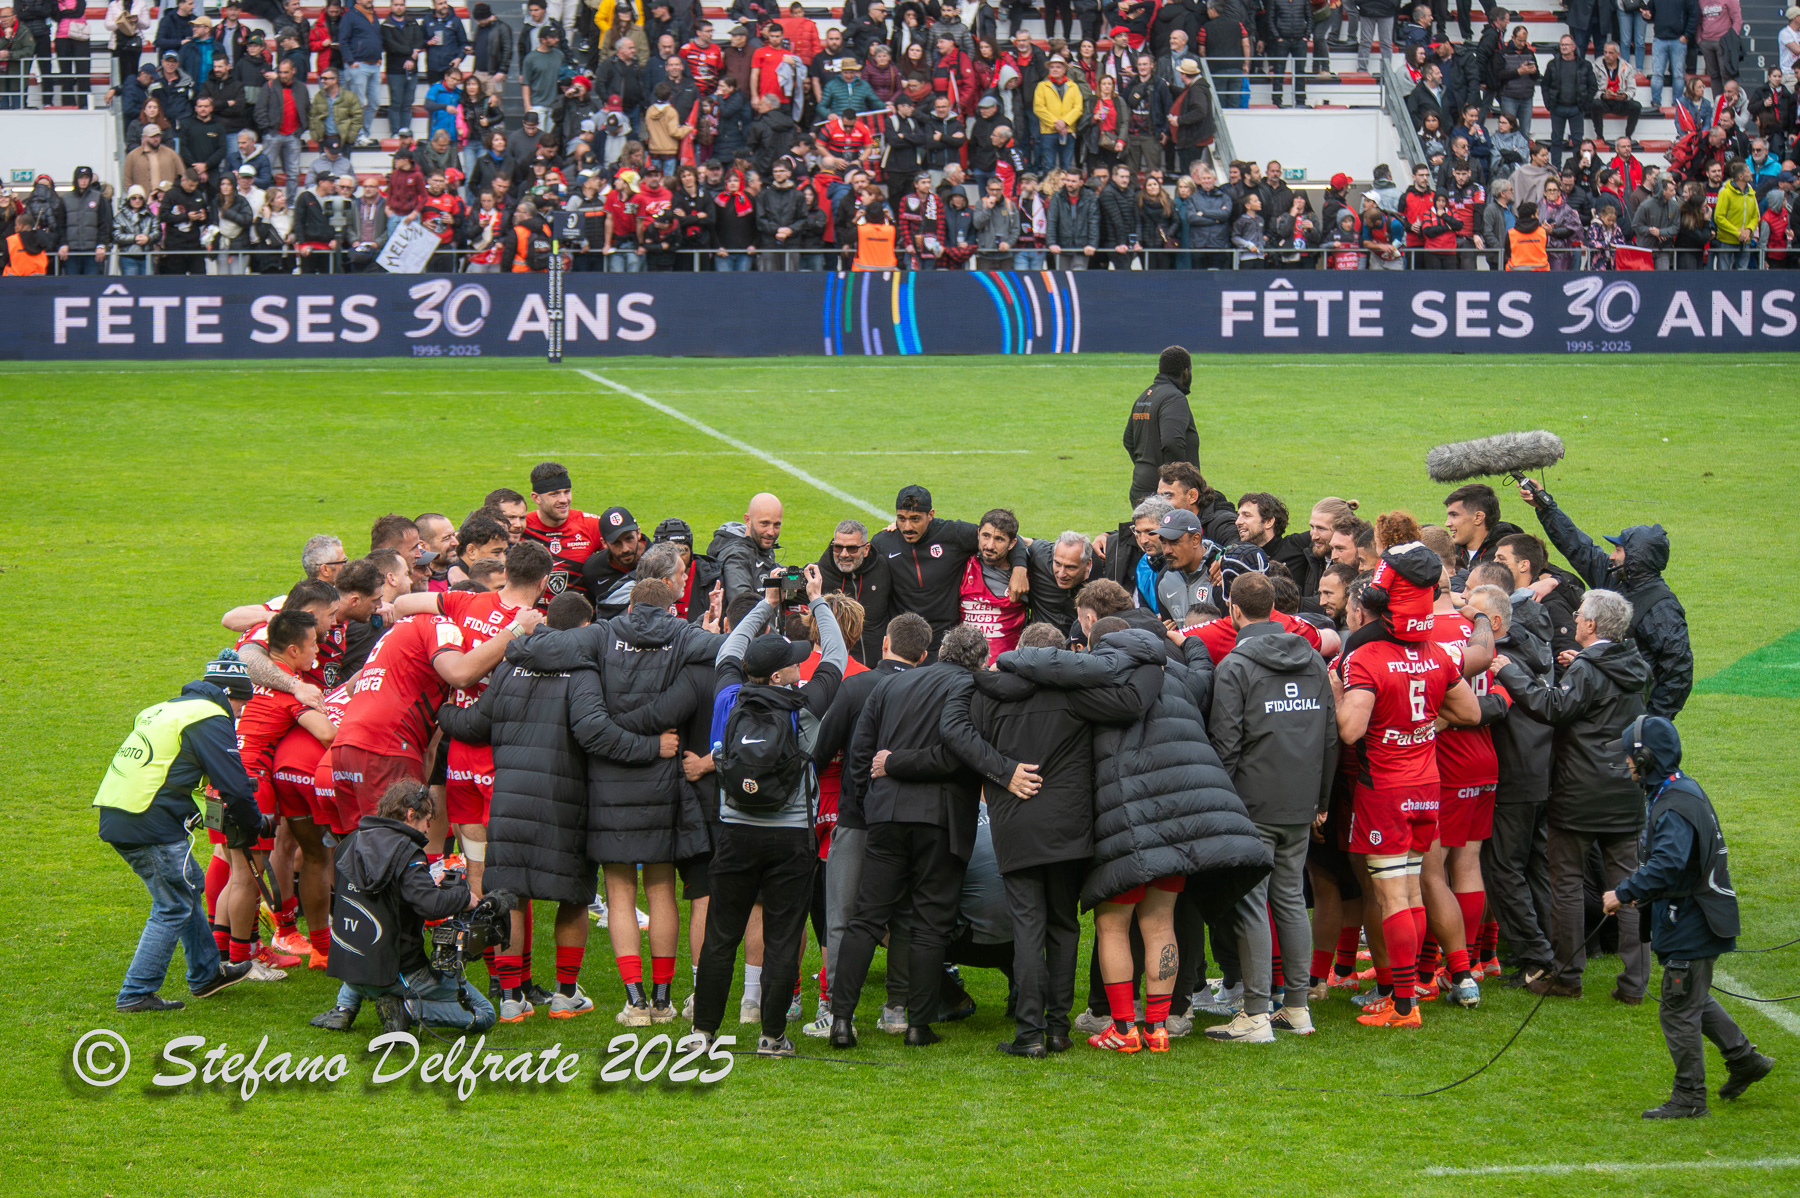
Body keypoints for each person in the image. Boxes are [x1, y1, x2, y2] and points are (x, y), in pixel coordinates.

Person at [944, 621, 1160, 1055]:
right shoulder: (1075, 694)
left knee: (1029, 926)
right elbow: (1132, 704)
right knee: (1063, 926)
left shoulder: (984, 690)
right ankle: (1057, 1030)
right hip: (1069, 824)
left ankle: (1030, 1034)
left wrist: (1001, 771)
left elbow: (953, 732)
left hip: (1017, 824)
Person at [828, 623, 1018, 1047]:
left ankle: (842, 1019)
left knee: (867, 918)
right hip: (944, 817)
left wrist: (866, 806)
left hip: (887, 814)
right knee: (929, 923)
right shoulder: (976, 691)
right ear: (981, 661)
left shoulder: (891, 685)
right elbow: (964, 757)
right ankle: (917, 1024)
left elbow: (861, 754)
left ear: (940, 651)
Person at [692, 566, 845, 1058]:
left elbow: (730, 649)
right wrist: (816, 601)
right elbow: (837, 656)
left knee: (721, 934)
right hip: (789, 839)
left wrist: (767, 602)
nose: (803, 665)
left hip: (735, 832)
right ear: (780, 675)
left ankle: (704, 1032)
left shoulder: (731, 697)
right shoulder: (804, 707)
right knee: (783, 936)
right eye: (794, 663)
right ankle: (772, 1036)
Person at [1333, 559, 1483, 1030]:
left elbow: (1350, 730)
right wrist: (1422, 724)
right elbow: (1472, 712)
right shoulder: (1436, 654)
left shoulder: (1366, 659)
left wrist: (1337, 688)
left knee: (1392, 895)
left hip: (1385, 790)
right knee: (1414, 892)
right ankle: (1415, 987)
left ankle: (1401, 1006)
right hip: (1428, 785)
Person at [1605, 716, 1775, 1118]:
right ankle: (1744, 1059)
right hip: (1694, 915)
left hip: (1692, 920)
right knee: (1691, 997)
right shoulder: (1678, 790)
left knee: (1678, 1008)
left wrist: (1624, 892)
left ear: (1646, 758)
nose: (1627, 762)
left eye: (1631, 755)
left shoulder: (1675, 804)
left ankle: (1689, 1099)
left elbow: (1667, 864)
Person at [1492, 589, 1650, 1001]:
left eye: (1580, 615)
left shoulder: (1587, 669)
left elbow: (1552, 707)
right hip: (1626, 790)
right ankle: (1635, 983)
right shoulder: (1632, 664)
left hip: (1579, 792)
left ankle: (1566, 977)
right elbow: (1598, 695)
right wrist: (1577, 665)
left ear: (1592, 625)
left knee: (1565, 885)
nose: (1575, 619)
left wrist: (1509, 672)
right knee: (1630, 887)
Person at [93, 650, 263, 1012]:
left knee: (186, 888)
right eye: (241, 703)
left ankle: (206, 974)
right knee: (173, 905)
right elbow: (232, 783)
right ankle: (136, 993)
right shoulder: (211, 716)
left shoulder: (166, 707)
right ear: (229, 696)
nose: (240, 712)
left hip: (119, 810)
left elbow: (169, 767)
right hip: (148, 820)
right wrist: (255, 822)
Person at [1207, 573, 1336, 1041]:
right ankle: (1297, 1008)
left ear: (1234, 611)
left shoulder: (1235, 666)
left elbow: (1226, 744)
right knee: (1290, 901)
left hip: (1251, 804)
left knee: (1250, 904)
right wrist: (1321, 801)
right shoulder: (1314, 662)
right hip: (1300, 803)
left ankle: (1257, 1013)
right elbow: (1329, 737)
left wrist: (1221, 806)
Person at [323, 781, 495, 1033]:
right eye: (427, 819)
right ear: (410, 815)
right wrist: (463, 897)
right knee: (484, 1013)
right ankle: (407, 1009)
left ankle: (344, 1008)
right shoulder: (407, 851)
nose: (428, 827)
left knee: (364, 934)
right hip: (396, 972)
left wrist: (424, 883)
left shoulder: (349, 843)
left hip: (349, 968)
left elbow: (377, 893)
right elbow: (431, 906)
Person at [1516, 478, 1691, 719]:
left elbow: (1678, 669)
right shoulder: (1616, 579)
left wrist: (1654, 719)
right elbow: (1578, 547)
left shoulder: (1662, 607)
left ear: (1636, 558)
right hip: (1608, 702)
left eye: (1618, 550)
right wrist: (1546, 507)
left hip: (1634, 712)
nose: (1611, 556)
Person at [869, 484, 1028, 650]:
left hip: (945, 643)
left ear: (930, 515)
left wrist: (1019, 569)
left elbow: (1008, 537)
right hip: (903, 642)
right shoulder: (883, 542)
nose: (907, 527)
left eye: (915, 519)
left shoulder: (952, 534)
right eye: (901, 519)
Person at [1123, 346, 1198, 506]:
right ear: (1185, 372)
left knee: (1145, 531)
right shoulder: (1174, 398)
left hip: (1140, 485)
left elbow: (1128, 440)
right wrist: (1177, 481)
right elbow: (1172, 442)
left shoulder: (1144, 396)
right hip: (1165, 494)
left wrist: (1145, 467)